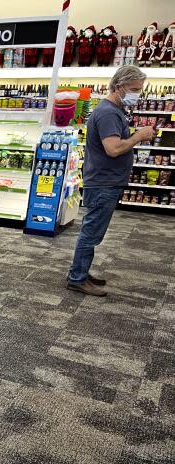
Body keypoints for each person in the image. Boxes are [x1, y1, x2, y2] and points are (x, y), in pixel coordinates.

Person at [67, 65, 155, 296]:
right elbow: (113, 149)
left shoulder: (111, 111)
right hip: (103, 182)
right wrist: (138, 136)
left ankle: (81, 271)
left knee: (94, 230)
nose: (138, 93)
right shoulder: (108, 112)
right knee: (92, 231)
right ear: (119, 86)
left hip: (105, 180)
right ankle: (77, 278)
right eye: (134, 89)